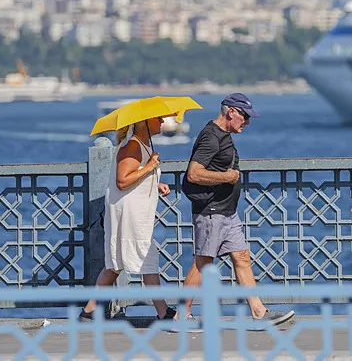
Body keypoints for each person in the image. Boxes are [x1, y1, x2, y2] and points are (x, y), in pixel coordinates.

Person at [181, 93, 294, 325]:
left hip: (227, 211)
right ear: (231, 111)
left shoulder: (224, 135)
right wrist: (227, 176)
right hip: (211, 211)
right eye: (244, 117)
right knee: (203, 263)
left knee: (242, 257)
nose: (247, 122)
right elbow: (193, 173)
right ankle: (181, 314)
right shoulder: (211, 137)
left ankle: (259, 312)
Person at [80, 116, 177, 321]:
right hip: (129, 213)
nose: (161, 122)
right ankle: (163, 312)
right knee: (146, 257)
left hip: (132, 210)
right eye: (158, 119)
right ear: (145, 123)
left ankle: (89, 311)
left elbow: (135, 174)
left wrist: (155, 182)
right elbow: (123, 181)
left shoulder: (142, 144)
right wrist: (150, 167)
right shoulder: (132, 146)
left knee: (115, 263)